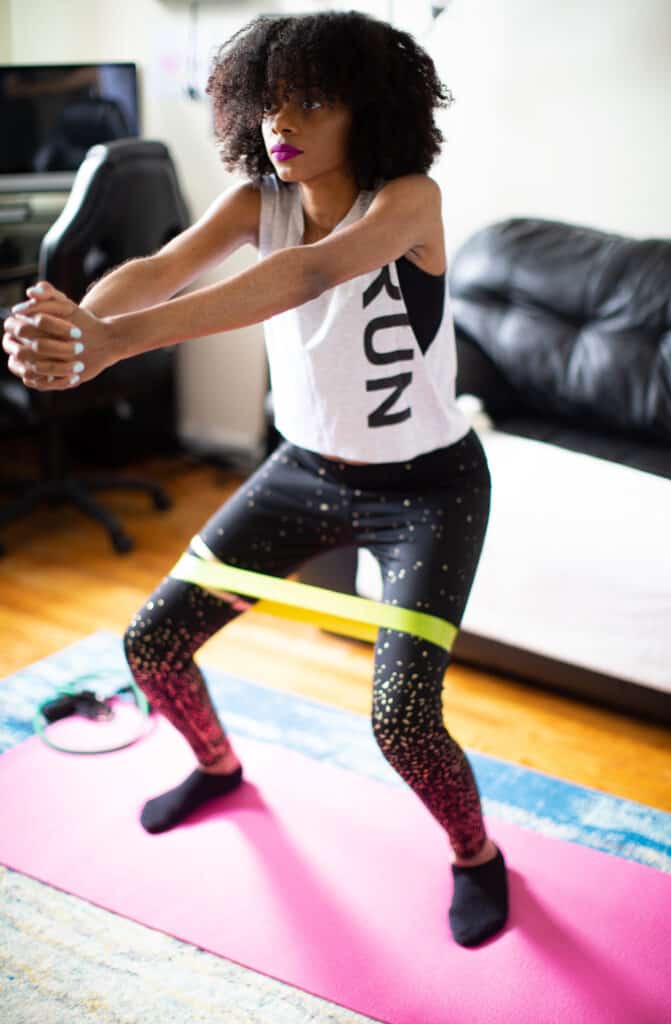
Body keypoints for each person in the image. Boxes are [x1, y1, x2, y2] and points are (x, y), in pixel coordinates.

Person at [2, 10, 508, 947]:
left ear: (370, 111)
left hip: (427, 489)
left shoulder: (408, 200)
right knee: (150, 646)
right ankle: (219, 768)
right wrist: (67, 328)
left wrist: (112, 344)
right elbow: (152, 271)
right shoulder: (255, 199)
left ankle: (476, 855)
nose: (284, 124)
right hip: (305, 469)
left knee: (400, 720)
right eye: (272, 103)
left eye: (312, 103)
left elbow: (308, 275)